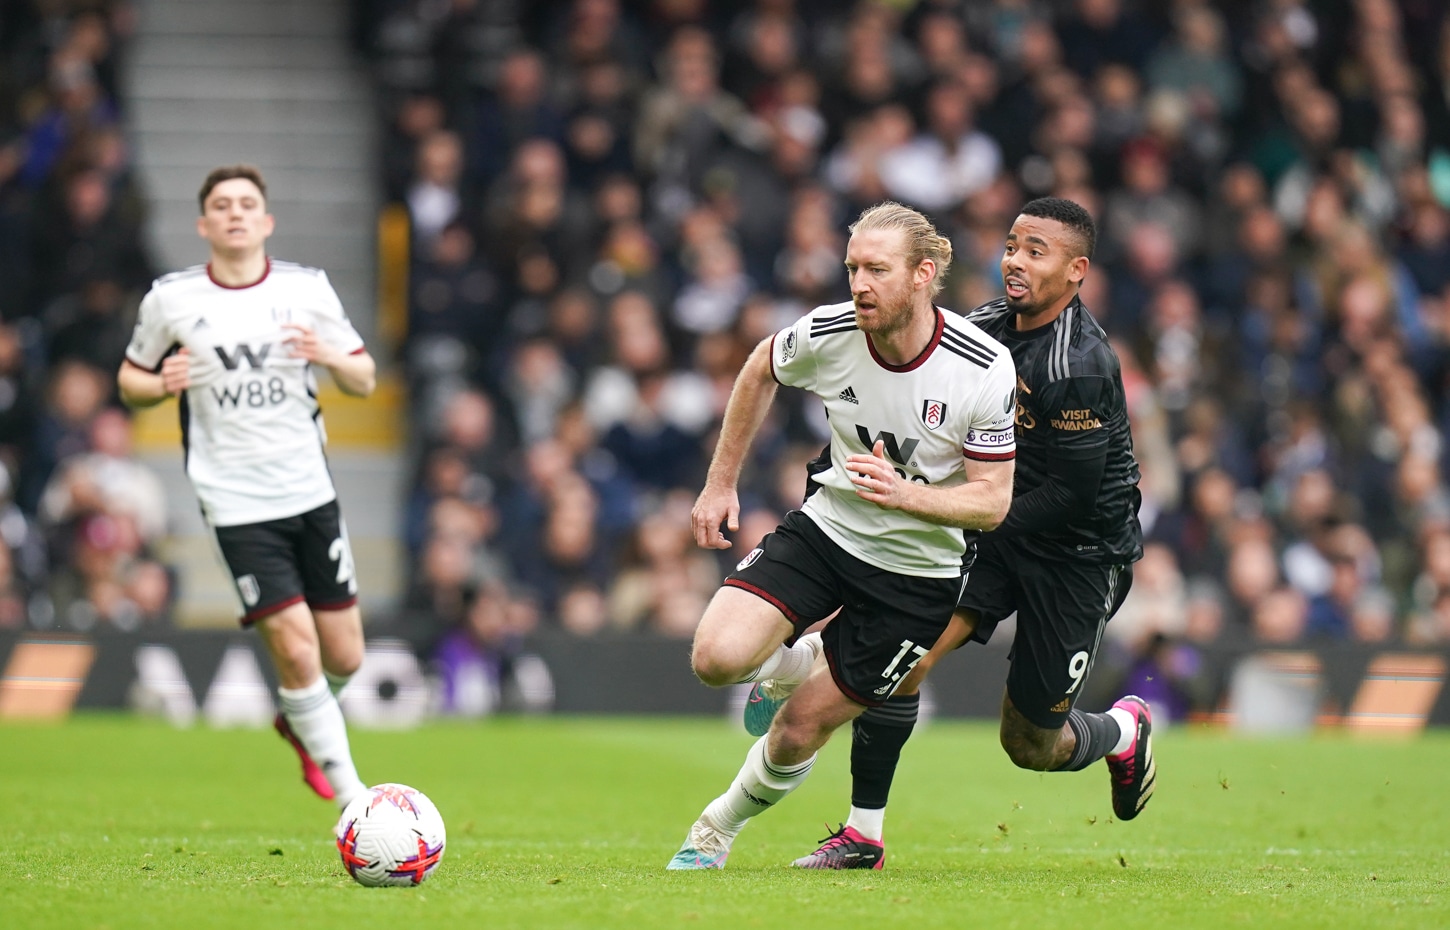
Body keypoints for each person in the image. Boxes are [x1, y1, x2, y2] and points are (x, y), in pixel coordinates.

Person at [779, 197, 1153, 869]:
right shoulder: (979, 332)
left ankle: (1123, 732)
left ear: (1076, 271)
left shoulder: (1081, 363)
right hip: (992, 529)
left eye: (1036, 251)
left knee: (1030, 744)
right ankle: (863, 835)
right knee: (906, 658)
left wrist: (942, 505)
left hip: (1079, 553)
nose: (1014, 260)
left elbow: (1070, 496)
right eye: (1012, 244)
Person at [666, 202, 1019, 870]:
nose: (859, 283)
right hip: (829, 534)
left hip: (917, 578)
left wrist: (906, 494)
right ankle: (795, 657)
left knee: (798, 727)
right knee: (715, 660)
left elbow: (993, 503)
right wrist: (720, 483)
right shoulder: (831, 332)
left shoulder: (981, 368)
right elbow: (760, 367)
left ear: (922, 275)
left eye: (876, 270)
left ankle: (716, 828)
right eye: (853, 266)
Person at [117, 165, 376, 810]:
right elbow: (129, 381)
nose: (235, 213)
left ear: (266, 222)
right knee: (295, 645)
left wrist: (329, 356)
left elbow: (365, 378)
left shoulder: (305, 290)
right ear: (204, 225)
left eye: (247, 204)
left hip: (309, 489)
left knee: (344, 656)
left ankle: (301, 719)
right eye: (222, 206)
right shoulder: (170, 300)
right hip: (234, 501)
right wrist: (162, 383)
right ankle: (354, 800)